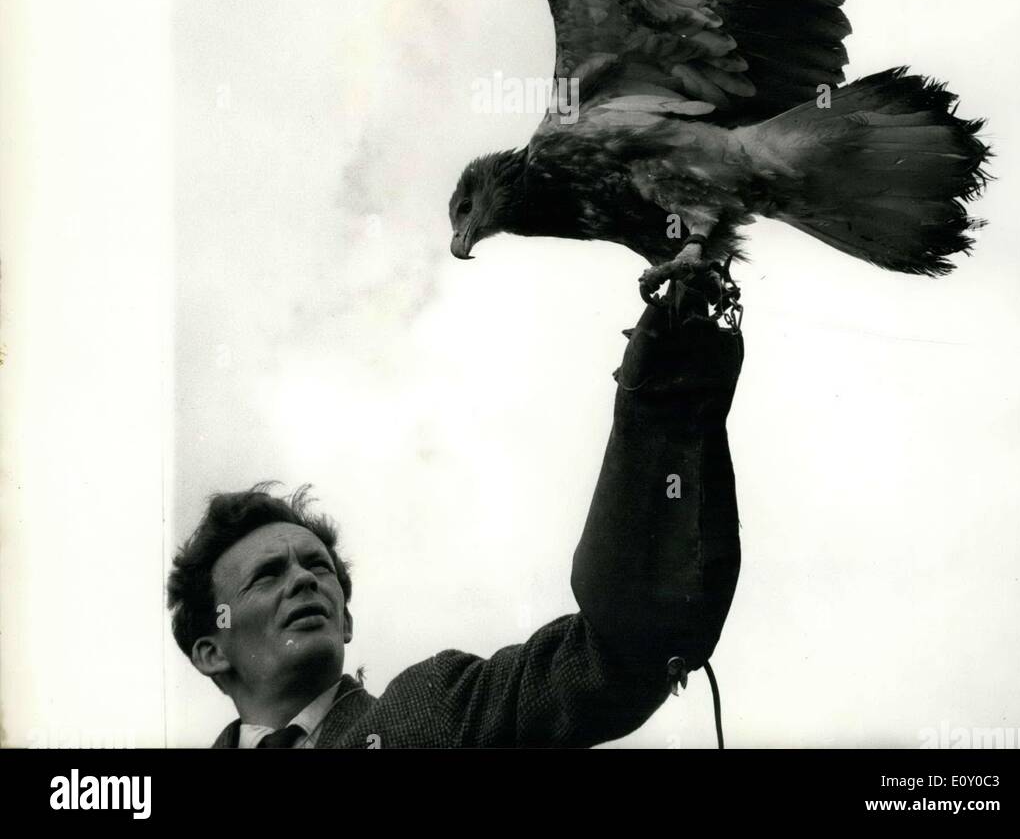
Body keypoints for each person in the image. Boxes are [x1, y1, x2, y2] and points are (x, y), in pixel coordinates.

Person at [167, 287, 744, 748]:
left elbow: (609, 657)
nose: (303, 580)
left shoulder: (434, 714)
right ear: (211, 650)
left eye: (317, 568)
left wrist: (662, 395)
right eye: (266, 575)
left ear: (345, 623)